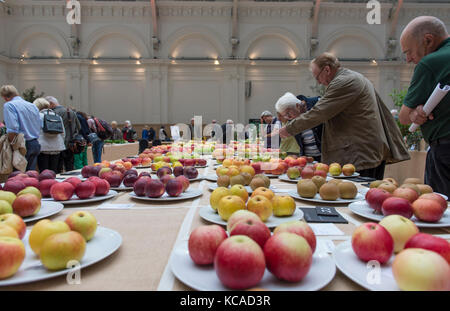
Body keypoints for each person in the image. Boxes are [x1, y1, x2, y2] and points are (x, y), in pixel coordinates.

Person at [275, 53, 410, 180]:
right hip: (365, 152)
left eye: (317, 77)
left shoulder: (344, 82)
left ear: (327, 70)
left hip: (360, 154)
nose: (319, 83)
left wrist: (288, 129)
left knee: (358, 195)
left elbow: (319, 113)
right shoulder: (353, 77)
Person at [398, 16, 450, 196]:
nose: (408, 59)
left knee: (442, 213)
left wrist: (413, 114)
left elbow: (404, 117)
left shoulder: (431, 63)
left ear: (428, 40)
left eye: (409, 51)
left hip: (445, 152)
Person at [1, 85, 41, 171]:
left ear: (5, 97)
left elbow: (13, 128)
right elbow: (40, 124)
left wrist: (12, 146)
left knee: (18, 178)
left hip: (21, 144)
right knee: (30, 175)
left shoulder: (9, 105)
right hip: (35, 143)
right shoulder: (32, 105)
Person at [275, 93, 321, 162]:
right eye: (284, 116)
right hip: (309, 159)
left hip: (326, 156)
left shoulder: (317, 104)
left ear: (297, 106)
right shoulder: (293, 120)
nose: (288, 118)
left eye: (288, 114)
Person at [45, 96, 81, 172]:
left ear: (51, 103)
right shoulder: (71, 111)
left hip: (57, 144)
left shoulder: (52, 113)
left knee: (58, 169)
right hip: (71, 144)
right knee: (70, 167)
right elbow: (79, 127)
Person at [34, 98, 66, 173]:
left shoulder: (38, 116)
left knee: (44, 172)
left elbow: (35, 131)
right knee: (54, 171)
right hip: (57, 148)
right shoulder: (57, 116)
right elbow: (63, 133)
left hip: (43, 148)